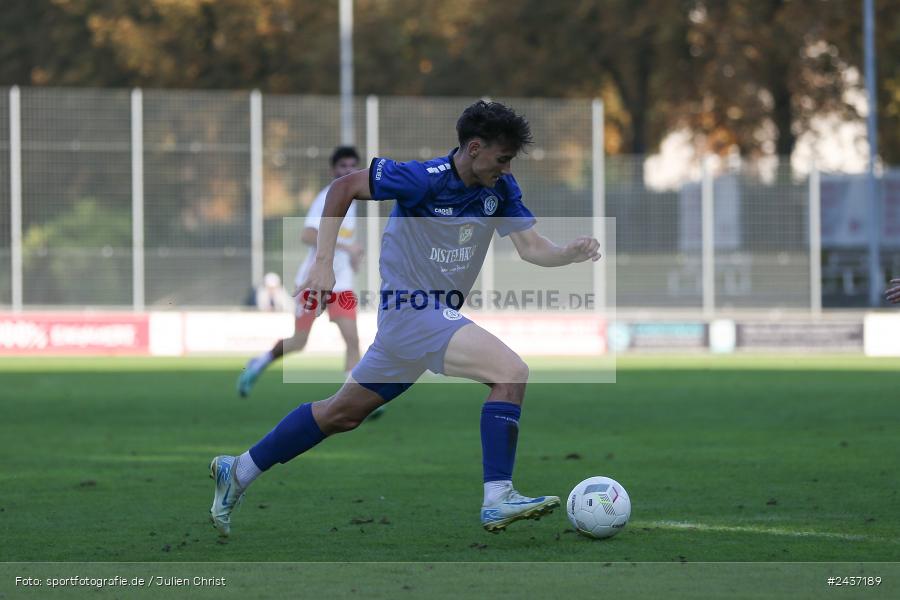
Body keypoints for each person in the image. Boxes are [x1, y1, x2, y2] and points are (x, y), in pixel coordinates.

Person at [211, 101, 601, 536]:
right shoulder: (423, 179)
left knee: (340, 414)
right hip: (412, 311)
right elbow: (343, 188)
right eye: (502, 158)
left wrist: (567, 254)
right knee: (510, 372)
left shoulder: (500, 189)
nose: (507, 168)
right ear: (474, 148)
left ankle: (239, 470)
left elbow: (531, 247)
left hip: (421, 322)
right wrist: (323, 262)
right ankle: (497, 496)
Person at [238, 146, 365, 397]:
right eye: (343, 166)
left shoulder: (354, 201)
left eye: (352, 166)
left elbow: (341, 240)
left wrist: (351, 257)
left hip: (341, 284)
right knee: (299, 342)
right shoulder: (327, 197)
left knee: (353, 339)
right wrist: (347, 248)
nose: (348, 171)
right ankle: (261, 361)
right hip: (314, 281)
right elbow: (308, 234)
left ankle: (353, 396)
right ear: (333, 170)